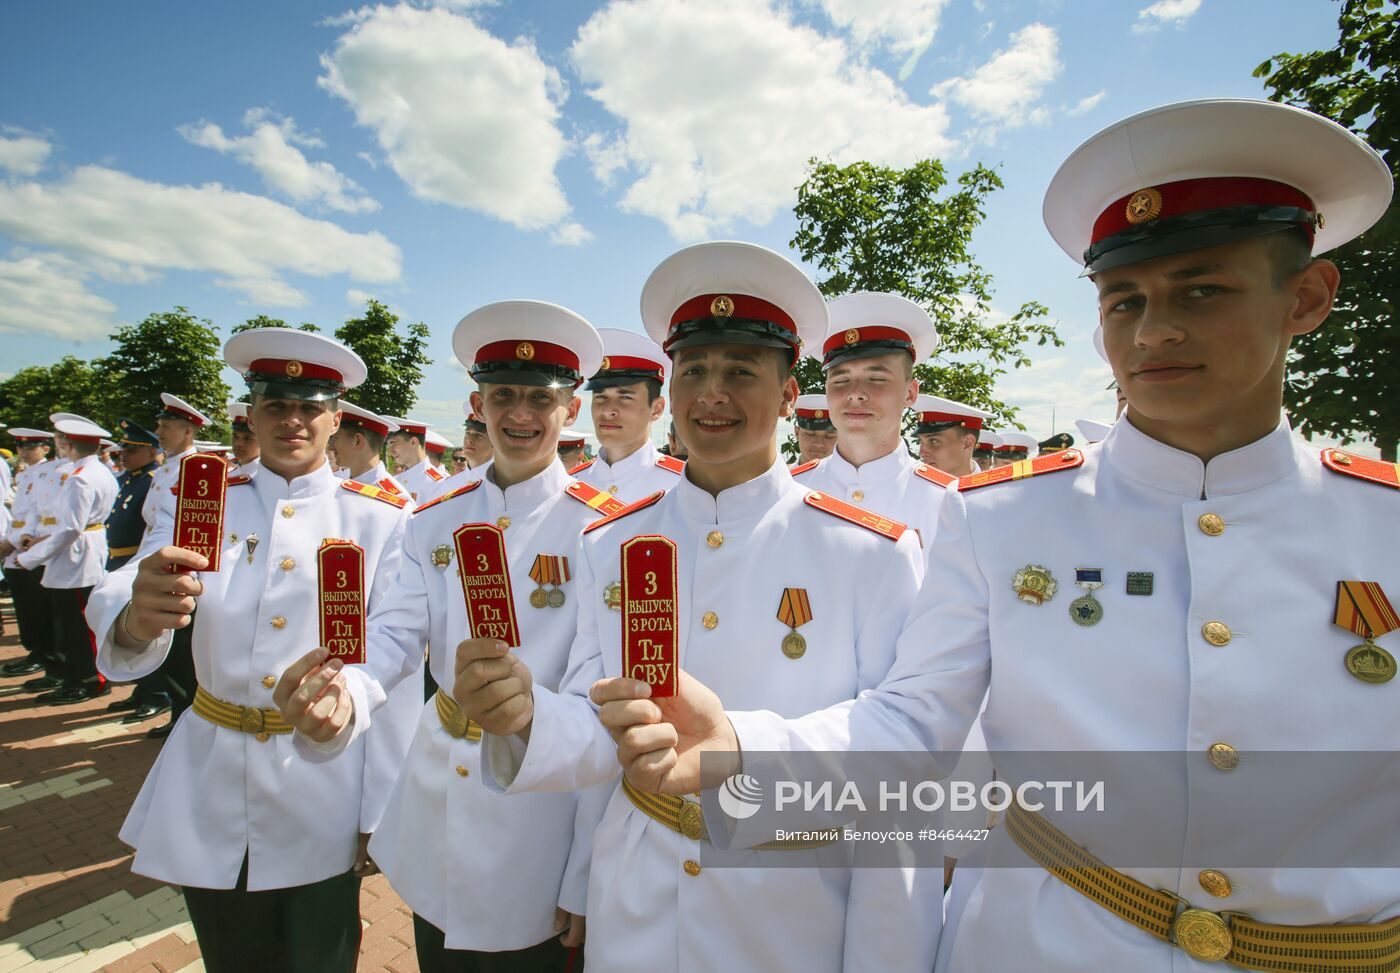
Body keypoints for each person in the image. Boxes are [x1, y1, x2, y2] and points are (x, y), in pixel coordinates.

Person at [598, 98, 1400, 972]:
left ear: (1308, 296)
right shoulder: (1002, 517)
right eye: (1123, 298)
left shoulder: (1381, 520)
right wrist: (744, 749)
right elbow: (914, 724)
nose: (1154, 330)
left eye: (1203, 288)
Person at [444, 242, 934, 973]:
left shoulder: (871, 552)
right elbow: (596, 707)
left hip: (789, 901)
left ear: (790, 391)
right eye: (695, 370)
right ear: (670, 388)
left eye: (741, 371)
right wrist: (526, 717)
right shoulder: (612, 539)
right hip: (637, 888)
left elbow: (903, 738)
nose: (713, 393)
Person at [282, 299, 617, 971]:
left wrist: (585, 869)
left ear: (570, 410)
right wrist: (346, 687)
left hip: (541, 817)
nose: (520, 414)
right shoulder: (433, 515)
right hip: (438, 797)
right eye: (503, 395)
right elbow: (396, 635)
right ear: (478, 401)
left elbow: (600, 706)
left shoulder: (605, 528)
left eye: (540, 398)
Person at [87, 328, 414, 973]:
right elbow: (130, 581)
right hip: (211, 769)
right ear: (252, 413)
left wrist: (358, 724)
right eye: (274, 405)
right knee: (229, 953)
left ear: (336, 418)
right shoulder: (201, 497)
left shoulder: (380, 515)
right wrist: (133, 619)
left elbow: (399, 639)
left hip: (322, 778)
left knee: (321, 953)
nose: (292, 421)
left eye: (310, 407)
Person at [791, 291, 954, 557]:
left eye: (876, 379)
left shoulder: (949, 502)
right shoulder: (790, 490)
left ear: (910, 393)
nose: (855, 393)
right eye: (841, 380)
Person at [16, 416, 118, 704]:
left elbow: (71, 527)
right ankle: (77, 675)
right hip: (83, 550)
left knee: (78, 624)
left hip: (77, 557)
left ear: (65, 442)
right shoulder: (93, 471)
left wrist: (31, 558)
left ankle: (90, 679)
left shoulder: (81, 477)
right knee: (71, 622)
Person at [141, 393, 212, 738]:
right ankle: (176, 711)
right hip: (160, 567)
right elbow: (156, 526)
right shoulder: (167, 468)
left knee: (185, 657)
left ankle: (184, 714)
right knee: (171, 654)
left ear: (187, 431)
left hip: (187, 575)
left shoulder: (199, 472)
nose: (159, 431)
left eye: (166, 426)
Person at [101, 419, 173, 724]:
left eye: (131, 449)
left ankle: (158, 694)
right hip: (136, 560)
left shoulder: (158, 475)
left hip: (145, 559)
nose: (124, 455)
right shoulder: (143, 478)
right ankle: (146, 690)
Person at [569, 328, 684, 502]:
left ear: (657, 409)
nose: (608, 410)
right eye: (600, 397)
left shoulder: (683, 485)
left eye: (625, 397)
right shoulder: (569, 484)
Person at [0, 429, 58, 681]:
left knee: (37, 608)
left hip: (30, 546)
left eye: (31, 446)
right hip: (18, 542)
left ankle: (44, 654)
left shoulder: (51, 473)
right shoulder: (26, 473)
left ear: (45, 448)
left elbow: (41, 515)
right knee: (23, 605)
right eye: (21, 447)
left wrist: (15, 542)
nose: (24, 451)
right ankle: (35, 651)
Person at [912, 394, 990, 477]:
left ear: (968, 443)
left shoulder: (992, 489)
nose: (922, 453)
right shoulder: (914, 486)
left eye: (934, 441)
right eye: (920, 441)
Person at [385, 418, 444, 501]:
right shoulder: (395, 480)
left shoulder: (436, 483)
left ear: (413, 442)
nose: (390, 452)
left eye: (393, 443)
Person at [792, 393, 837, 464]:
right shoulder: (783, 475)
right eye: (810, 434)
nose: (819, 443)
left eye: (829, 436)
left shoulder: (850, 475)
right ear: (797, 433)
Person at [228, 402, 261, 472]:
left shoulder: (267, 476)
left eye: (247, 438)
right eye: (235, 436)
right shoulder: (230, 474)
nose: (238, 443)